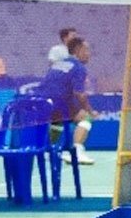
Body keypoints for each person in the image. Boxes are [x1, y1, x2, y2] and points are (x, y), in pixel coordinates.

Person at [39, 37, 96, 165]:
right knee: (85, 118)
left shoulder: (57, 64)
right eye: (86, 50)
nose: (89, 54)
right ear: (78, 50)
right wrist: (90, 110)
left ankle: (49, 151)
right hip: (60, 102)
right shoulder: (79, 68)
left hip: (44, 103)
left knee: (57, 121)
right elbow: (79, 94)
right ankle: (76, 152)